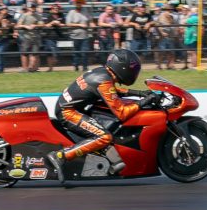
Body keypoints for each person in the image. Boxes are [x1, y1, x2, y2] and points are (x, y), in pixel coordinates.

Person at [49, 49, 153, 184]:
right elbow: (122, 113)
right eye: (132, 68)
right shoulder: (104, 80)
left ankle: (113, 161)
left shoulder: (102, 73)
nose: (134, 72)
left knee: (108, 125)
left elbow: (113, 91)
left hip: (74, 108)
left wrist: (139, 93)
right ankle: (60, 156)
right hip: (68, 112)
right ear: (123, 67)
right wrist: (144, 102)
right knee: (104, 137)